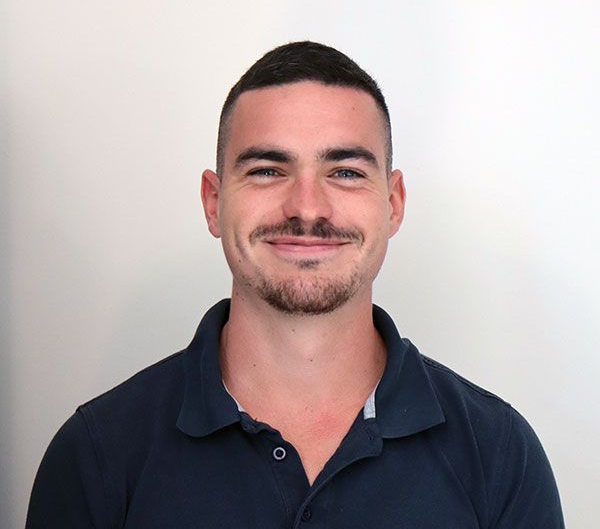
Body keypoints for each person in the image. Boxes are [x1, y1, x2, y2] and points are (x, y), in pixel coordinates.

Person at [26, 41, 564, 528]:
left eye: (346, 172)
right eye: (267, 170)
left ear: (393, 203)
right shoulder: (97, 455)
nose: (307, 207)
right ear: (214, 202)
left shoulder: (499, 456)